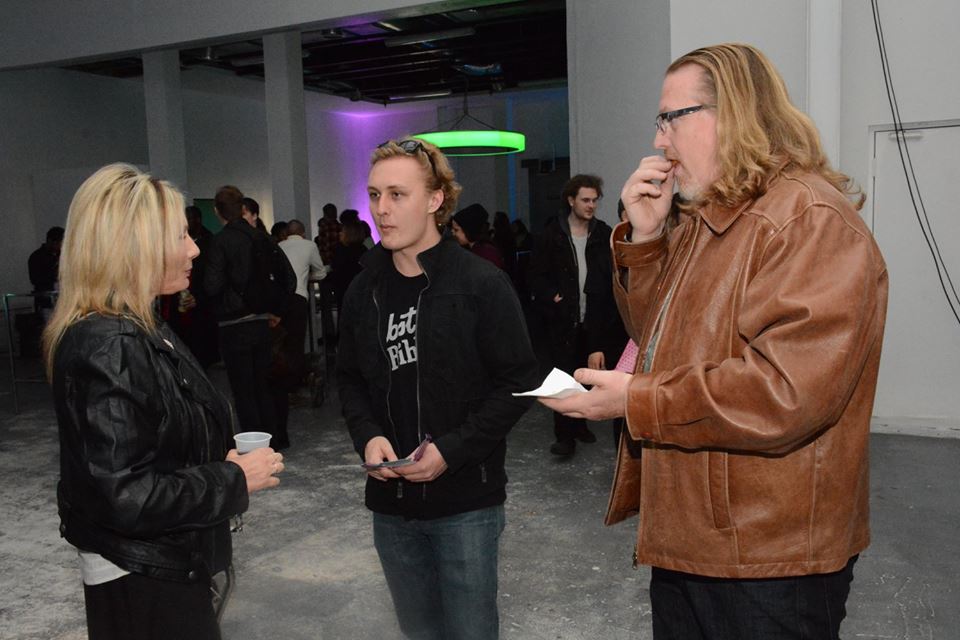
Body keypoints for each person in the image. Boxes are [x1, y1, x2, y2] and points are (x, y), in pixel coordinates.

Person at [541, 43, 888, 639]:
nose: (659, 140)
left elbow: (785, 394)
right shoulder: (708, 219)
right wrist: (647, 240)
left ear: (733, 113)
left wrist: (635, 399)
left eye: (670, 118)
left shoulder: (808, 220)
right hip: (694, 535)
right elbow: (658, 338)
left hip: (767, 556)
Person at [44, 163, 284, 640]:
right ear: (133, 246)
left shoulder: (140, 326)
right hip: (144, 579)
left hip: (164, 565)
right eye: (180, 236)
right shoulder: (111, 343)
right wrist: (232, 478)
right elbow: (126, 497)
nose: (195, 248)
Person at [338, 138, 539, 639]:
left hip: (465, 502)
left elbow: (518, 381)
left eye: (397, 194)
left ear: (434, 200)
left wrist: (452, 450)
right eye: (374, 194)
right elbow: (350, 378)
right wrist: (367, 435)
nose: (381, 209)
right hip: (391, 504)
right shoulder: (364, 288)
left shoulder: (481, 282)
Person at [529, 174, 626, 456]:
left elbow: (611, 277)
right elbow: (535, 274)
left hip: (593, 318)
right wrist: (552, 296)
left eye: (595, 200)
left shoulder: (603, 233)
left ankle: (580, 425)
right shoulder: (552, 235)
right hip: (563, 319)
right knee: (563, 376)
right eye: (585, 200)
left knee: (587, 374)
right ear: (571, 200)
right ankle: (565, 436)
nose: (591, 205)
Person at [205, 186, 295, 450]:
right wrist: (277, 310)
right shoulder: (262, 238)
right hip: (262, 322)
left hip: (233, 324)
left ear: (217, 211)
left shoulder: (220, 242)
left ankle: (254, 448)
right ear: (243, 208)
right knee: (264, 386)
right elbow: (288, 279)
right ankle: (273, 440)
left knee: (243, 390)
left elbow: (212, 285)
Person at [451, 203, 504, 270]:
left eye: (456, 230)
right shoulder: (471, 250)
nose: (452, 233)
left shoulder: (487, 253)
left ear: (468, 230)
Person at [28, 225, 64, 314]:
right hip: (47, 301)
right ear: (51, 241)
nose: (61, 246)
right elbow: (35, 279)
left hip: (63, 300)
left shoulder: (62, 256)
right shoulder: (37, 256)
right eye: (60, 243)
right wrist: (55, 275)